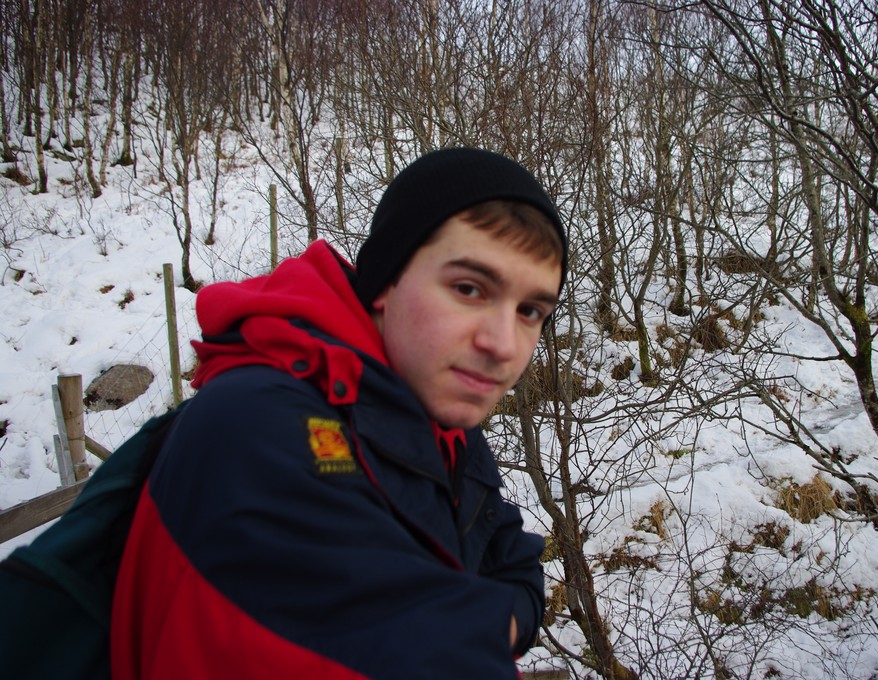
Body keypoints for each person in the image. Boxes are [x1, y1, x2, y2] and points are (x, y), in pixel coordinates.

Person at [110, 147, 567, 679]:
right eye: (469, 289)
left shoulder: (432, 412)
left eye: (530, 311)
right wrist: (487, 623)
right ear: (387, 280)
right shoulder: (259, 425)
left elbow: (514, 566)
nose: (504, 345)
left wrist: (483, 621)